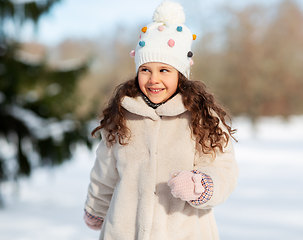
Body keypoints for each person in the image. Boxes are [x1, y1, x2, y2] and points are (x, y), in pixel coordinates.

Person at [83, 1, 239, 239]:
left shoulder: (201, 118)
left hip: (184, 231)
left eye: (164, 70)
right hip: (124, 231)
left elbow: (223, 169)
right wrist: (96, 210)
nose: (153, 79)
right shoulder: (122, 117)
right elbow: (104, 173)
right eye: (146, 70)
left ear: (181, 74)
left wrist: (202, 185)